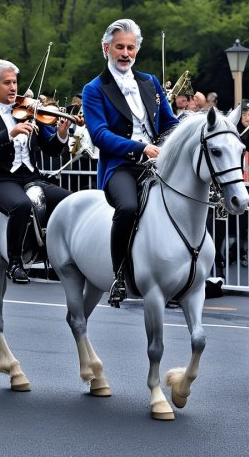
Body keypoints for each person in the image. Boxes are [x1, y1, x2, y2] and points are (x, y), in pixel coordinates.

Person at [82, 18, 178, 306]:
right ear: (106, 48)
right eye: (119, 47)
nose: (125, 53)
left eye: (131, 48)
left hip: (158, 162)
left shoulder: (151, 82)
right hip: (120, 167)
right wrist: (141, 148)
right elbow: (100, 135)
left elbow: (169, 124)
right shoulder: (94, 88)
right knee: (128, 208)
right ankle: (118, 275)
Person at [0, 59, 71, 284]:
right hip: (2, 178)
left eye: (15, 82)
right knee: (21, 205)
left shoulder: (28, 112)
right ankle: (15, 262)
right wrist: (9, 133)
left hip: (32, 177)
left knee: (70, 202)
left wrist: (62, 134)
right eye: (7, 83)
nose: (13, 88)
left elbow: (52, 149)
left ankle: (55, 256)